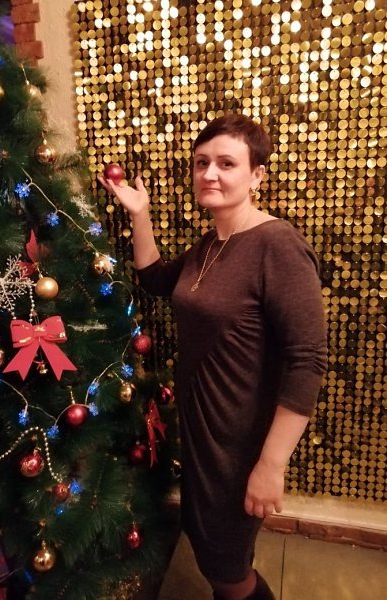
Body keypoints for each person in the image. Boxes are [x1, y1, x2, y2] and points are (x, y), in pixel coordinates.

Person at [99, 114, 327, 600]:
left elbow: (307, 361)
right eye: (202, 162)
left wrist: (271, 465)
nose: (210, 174)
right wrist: (140, 214)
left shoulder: (278, 245)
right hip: (203, 432)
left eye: (226, 163)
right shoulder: (211, 244)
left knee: (226, 568)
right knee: (213, 553)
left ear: (257, 174)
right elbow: (156, 279)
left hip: (240, 444)